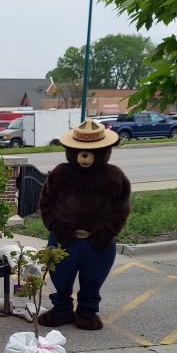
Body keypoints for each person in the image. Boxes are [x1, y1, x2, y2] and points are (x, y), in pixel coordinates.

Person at [37, 118, 131, 330]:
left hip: (98, 241)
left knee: (93, 278)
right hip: (64, 239)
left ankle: (87, 311)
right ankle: (61, 309)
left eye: (93, 151)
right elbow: (46, 203)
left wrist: (105, 233)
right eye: (79, 150)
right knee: (60, 275)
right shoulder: (60, 174)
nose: (85, 156)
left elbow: (121, 209)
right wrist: (58, 227)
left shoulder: (114, 177)